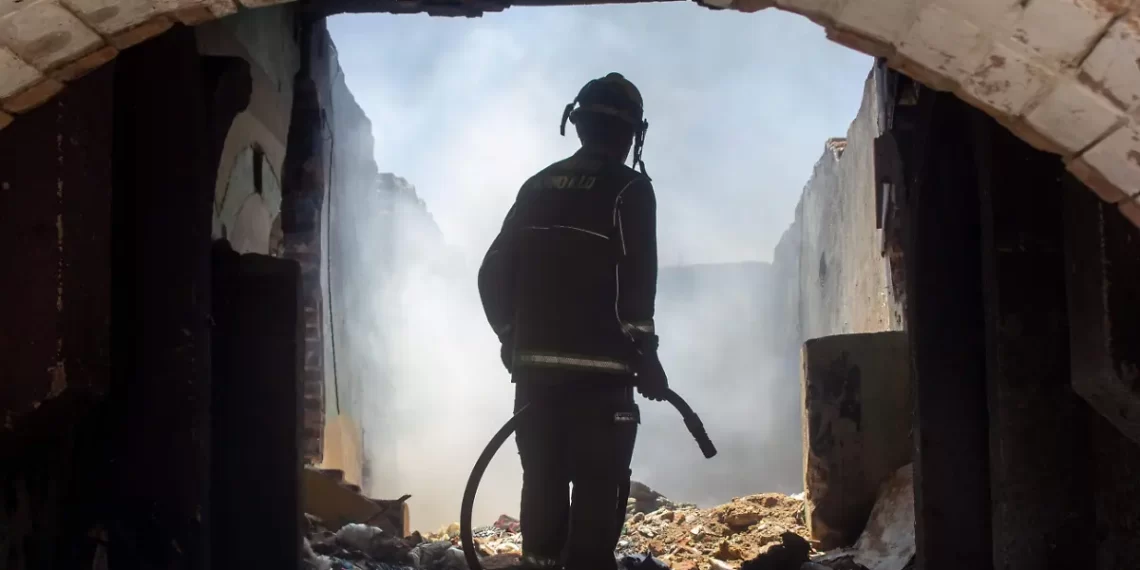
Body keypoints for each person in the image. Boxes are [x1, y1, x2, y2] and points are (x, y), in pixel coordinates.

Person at [477, 72, 670, 570]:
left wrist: (510, 339)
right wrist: (646, 356)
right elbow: (637, 285)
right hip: (602, 382)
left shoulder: (536, 186)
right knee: (598, 488)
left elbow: (491, 272)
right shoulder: (630, 190)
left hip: (536, 379)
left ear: (578, 124)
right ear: (633, 134)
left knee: (541, 479)